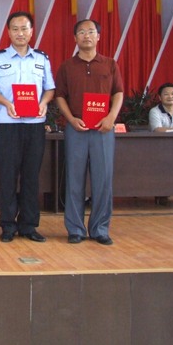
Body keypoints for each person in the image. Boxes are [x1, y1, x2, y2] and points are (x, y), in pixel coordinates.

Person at [0, 11, 55, 243]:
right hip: (8, 124)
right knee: (8, 175)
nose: (20, 33)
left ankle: (29, 225)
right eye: (15, 29)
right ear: (9, 32)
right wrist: (6, 103)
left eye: (24, 28)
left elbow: (50, 89)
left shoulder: (42, 59)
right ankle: (8, 225)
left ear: (31, 31)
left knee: (31, 176)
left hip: (34, 125)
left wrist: (44, 103)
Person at [55, 19, 123, 245]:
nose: (87, 35)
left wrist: (111, 118)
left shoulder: (110, 64)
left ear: (98, 37)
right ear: (75, 38)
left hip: (103, 130)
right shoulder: (66, 66)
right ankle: (75, 229)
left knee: (103, 180)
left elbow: (118, 93)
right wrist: (71, 119)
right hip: (76, 128)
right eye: (82, 32)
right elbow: (60, 96)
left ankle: (100, 229)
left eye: (91, 31)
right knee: (74, 179)